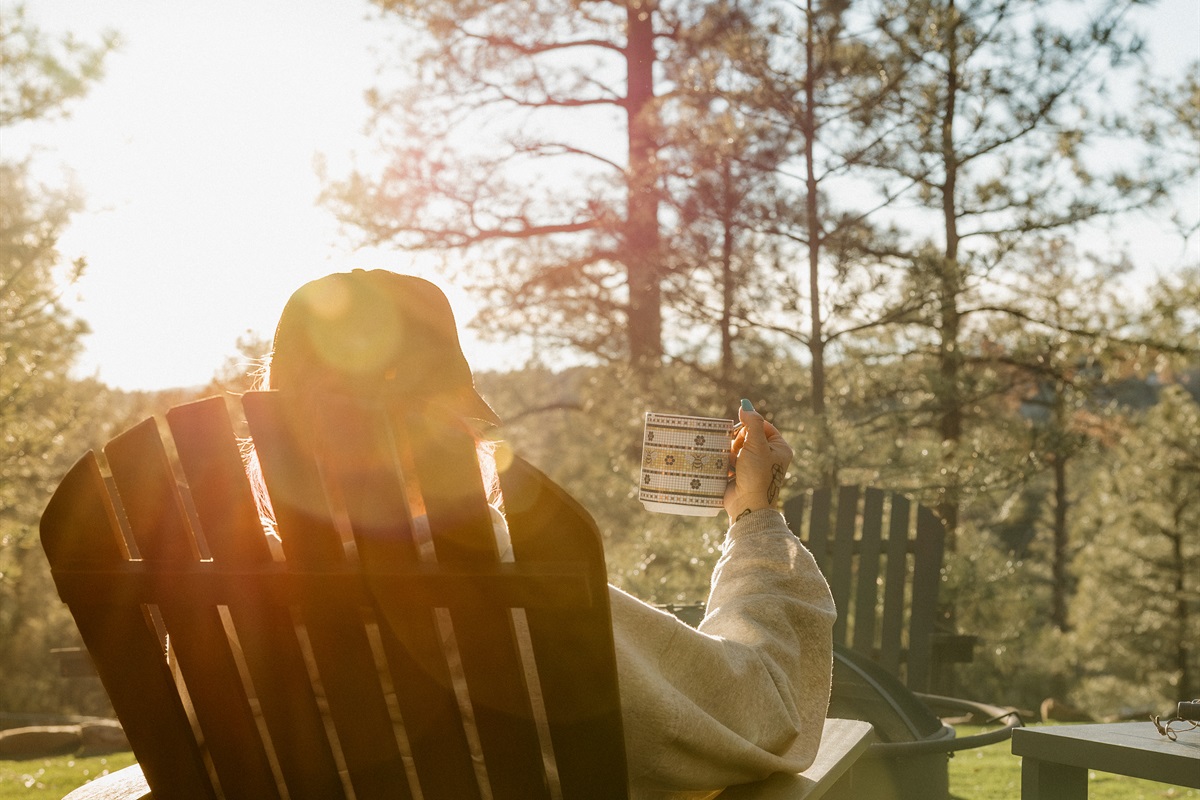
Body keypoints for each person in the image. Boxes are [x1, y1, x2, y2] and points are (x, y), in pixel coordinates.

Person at [257, 269, 835, 799]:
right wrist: (755, 516)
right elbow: (755, 713)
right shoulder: (495, 585)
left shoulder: (222, 597)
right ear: (441, 427)